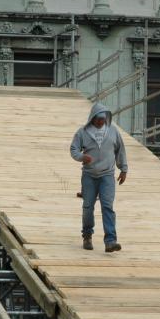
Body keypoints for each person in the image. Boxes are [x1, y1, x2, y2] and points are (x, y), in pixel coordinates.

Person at [69, 102, 128, 252]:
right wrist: (82, 157)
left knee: (107, 206)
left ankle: (110, 241)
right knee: (88, 207)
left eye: (103, 119)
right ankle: (87, 235)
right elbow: (73, 149)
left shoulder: (113, 131)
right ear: (92, 118)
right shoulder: (83, 132)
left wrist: (123, 169)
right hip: (89, 175)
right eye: (98, 119)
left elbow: (120, 150)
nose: (100, 121)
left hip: (107, 175)